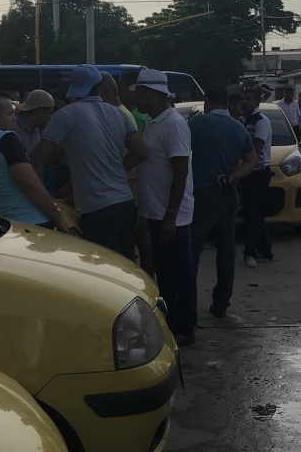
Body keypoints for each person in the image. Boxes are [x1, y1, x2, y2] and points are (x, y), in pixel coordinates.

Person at [31, 65, 148, 257]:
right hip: (125, 204)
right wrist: (116, 169)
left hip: (97, 209)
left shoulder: (67, 114)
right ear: (99, 87)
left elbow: (37, 158)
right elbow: (142, 152)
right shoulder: (118, 113)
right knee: (125, 269)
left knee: (103, 272)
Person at [132, 69, 196, 345]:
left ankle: (185, 328)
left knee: (180, 275)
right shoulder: (153, 123)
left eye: (140, 93)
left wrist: (170, 215)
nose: (136, 98)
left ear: (154, 94)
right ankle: (170, 324)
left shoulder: (173, 124)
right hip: (156, 212)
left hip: (173, 217)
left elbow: (180, 171)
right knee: (166, 274)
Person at [190, 84, 258, 323]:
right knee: (226, 250)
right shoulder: (237, 127)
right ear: (227, 104)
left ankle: (188, 305)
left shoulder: (198, 123)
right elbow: (252, 159)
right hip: (229, 193)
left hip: (204, 194)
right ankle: (221, 304)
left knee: (193, 248)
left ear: (207, 100)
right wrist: (233, 176)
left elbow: (181, 151)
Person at [0, 90, 69, 232]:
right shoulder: (7, 139)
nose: (15, 118)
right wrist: (59, 220)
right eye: (10, 114)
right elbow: (31, 184)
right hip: (29, 225)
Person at [102, 72, 155, 274]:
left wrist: (110, 172)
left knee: (137, 243)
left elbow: (136, 154)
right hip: (128, 188)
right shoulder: (119, 113)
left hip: (129, 189)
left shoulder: (120, 115)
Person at [239, 87, 274, 268]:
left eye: (248, 99)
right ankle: (265, 248)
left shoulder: (261, 121)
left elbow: (256, 148)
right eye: (243, 99)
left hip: (259, 172)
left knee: (256, 215)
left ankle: (249, 252)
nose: (244, 102)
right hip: (246, 172)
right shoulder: (242, 121)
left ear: (257, 102)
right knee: (252, 213)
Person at [14, 89, 59, 193]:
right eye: (49, 113)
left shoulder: (35, 130)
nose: (51, 117)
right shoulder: (14, 129)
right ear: (39, 112)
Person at [118, 70, 150, 136]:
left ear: (133, 90)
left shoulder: (134, 116)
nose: (118, 94)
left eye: (121, 89)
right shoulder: (148, 111)